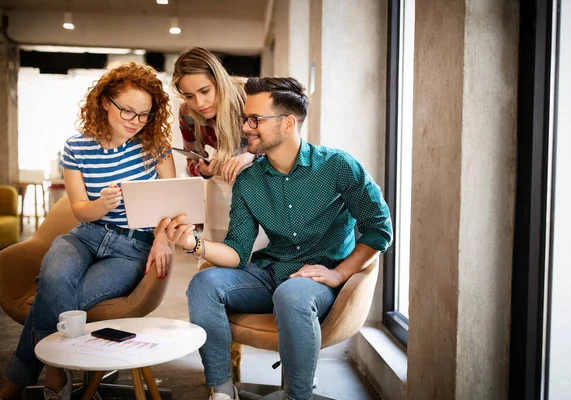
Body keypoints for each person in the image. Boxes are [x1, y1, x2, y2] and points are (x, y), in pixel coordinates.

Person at [158, 77, 393, 400]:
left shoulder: (338, 166)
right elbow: (238, 252)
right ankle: (223, 390)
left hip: (318, 279)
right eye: (244, 119)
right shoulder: (249, 181)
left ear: (288, 122)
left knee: (292, 294)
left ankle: (299, 396)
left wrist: (338, 273)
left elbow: (379, 228)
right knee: (203, 283)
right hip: (272, 271)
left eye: (255, 120)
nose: (245, 128)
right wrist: (193, 243)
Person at [0, 61, 176, 400]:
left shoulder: (155, 146)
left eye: (144, 115)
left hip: (132, 246)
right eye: (128, 111)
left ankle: (27, 382)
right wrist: (102, 205)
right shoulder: (76, 147)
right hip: (86, 234)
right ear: (105, 101)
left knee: (58, 300)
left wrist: (163, 237)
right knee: (53, 277)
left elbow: (171, 203)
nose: (135, 122)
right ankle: (55, 373)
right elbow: (80, 207)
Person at [171, 47, 256, 243]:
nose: (199, 103)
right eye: (189, 96)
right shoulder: (187, 113)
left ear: (219, 79)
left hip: (260, 186)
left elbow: (276, 147)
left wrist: (249, 155)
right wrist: (203, 169)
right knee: (219, 247)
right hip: (220, 187)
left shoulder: (249, 98)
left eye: (205, 91)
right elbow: (192, 160)